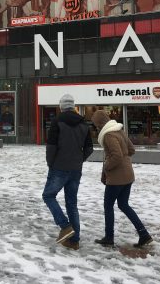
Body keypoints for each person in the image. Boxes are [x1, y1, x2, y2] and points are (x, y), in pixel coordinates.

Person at [91, 110, 153, 248]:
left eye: (95, 124)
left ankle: (109, 237)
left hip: (116, 178)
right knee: (123, 205)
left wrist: (107, 167)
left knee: (108, 206)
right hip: (128, 175)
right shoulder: (119, 130)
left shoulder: (108, 135)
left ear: (100, 123)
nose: (95, 127)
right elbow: (131, 150)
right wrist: (124, 161)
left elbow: (116, 156)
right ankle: (144, 234)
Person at [42, 94, 94, 251]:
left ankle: (65, 226)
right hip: (76, 169)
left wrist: (51, 163)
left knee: (48, 195)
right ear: (73, 106)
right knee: (72, 203)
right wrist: (79, 160)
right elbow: (89, 149)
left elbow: (51, 146)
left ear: (61, 106)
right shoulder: (84, 122)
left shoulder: (57, 122)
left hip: (59, 167)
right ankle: (74, 240)